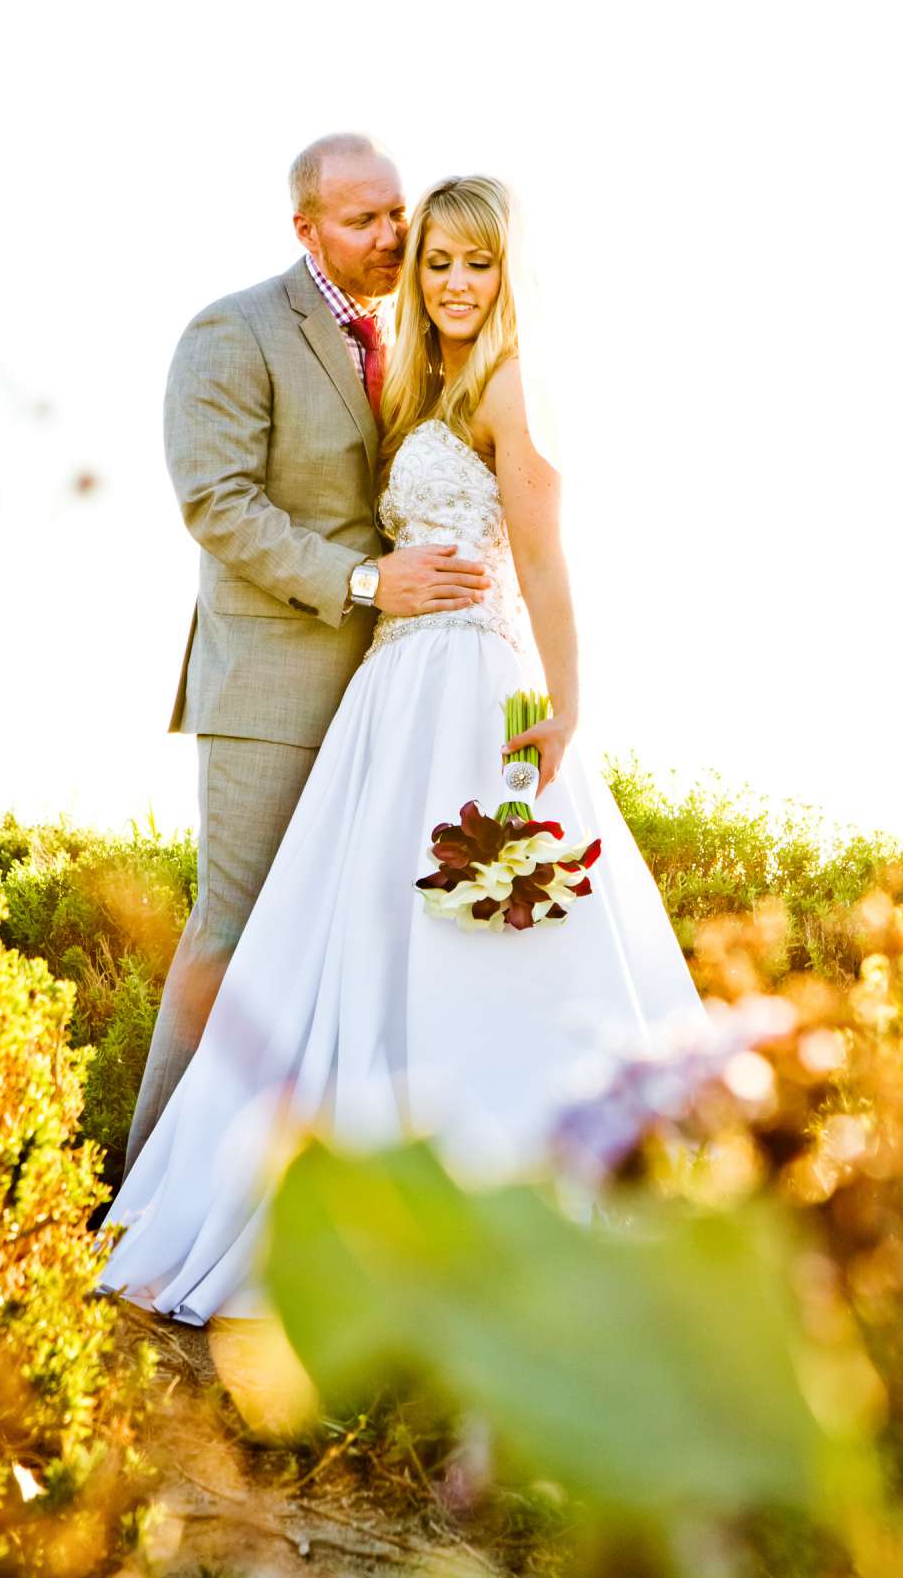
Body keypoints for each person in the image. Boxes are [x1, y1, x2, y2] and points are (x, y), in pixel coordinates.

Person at [99, 172, 705, 1323]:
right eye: (438, 261)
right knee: (349, 938)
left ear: (507, 273)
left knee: (474, 942)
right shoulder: (422, 387)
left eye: (479, 263)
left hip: (474, 689)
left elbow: (543, 559)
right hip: (390, 693)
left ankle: (498, 1222)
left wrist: (565, 706)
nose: (456, 282)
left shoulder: (510, 387)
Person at [124, 133, 493, 1177]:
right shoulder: (233, 329)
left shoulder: (417, 343)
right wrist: (369, 583)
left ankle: (289, 1202)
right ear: (306, 229)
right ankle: (142, 1199)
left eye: (396, 214)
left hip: (397, 693)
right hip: (272, 687)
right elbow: (216, 502)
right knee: (236, 937)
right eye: (362, 220)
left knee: (351, 947)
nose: (392, 236)